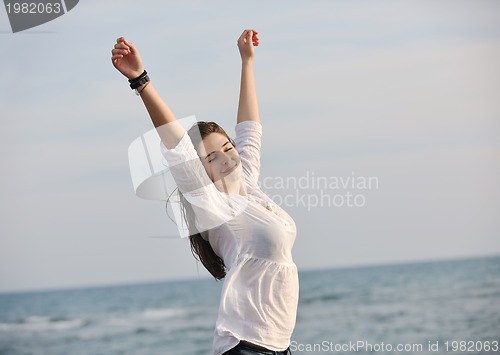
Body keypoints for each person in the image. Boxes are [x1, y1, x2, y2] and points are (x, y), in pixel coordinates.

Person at [111, 29, 298, 355]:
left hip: (276, 347)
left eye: (228, 148)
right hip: (245, 347)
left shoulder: (249, 188)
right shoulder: (213, 206)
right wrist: (141, 80)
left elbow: (249, 129)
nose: (227, 158)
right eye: (212, 157)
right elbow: (178, 146)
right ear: (202, 172)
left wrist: (247, 63)